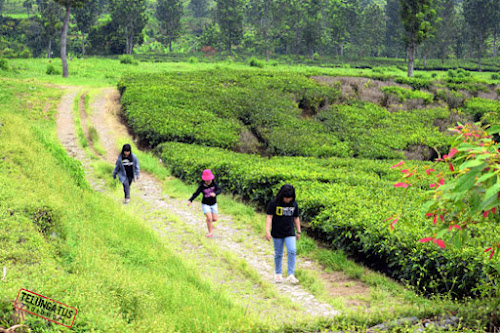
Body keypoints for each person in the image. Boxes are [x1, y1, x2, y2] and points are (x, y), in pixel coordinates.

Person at [265, 184, 301, 284]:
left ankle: (291, 274)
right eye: (286, 197)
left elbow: (296, 218)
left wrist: (298, 231)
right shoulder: (274, 203)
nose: (288, 200)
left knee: (292, 250)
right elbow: (269, 217)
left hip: (290, 231)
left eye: (290, 198)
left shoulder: (294, 204)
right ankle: (278, 274)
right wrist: (267, 230)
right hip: (277, 232)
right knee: (278, 253)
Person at [187, 169, 222, 238]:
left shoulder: (214, 184)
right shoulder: (202, 187)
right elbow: (196, 193)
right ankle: (210, 233)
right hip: (205, 204)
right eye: (208, 180)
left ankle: (209, 221)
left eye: (210, 179)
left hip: (214, 204)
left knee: (214, 219)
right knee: (209, 218)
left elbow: (219, 190)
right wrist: (190, 200)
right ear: (204, 180)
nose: (209, 181)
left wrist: (215, 193)